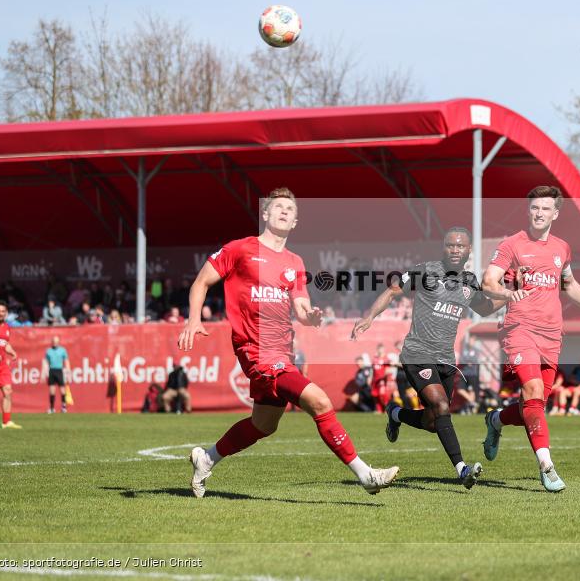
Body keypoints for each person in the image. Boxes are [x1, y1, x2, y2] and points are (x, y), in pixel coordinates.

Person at [180, 187, 398, 497]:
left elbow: (301, 308)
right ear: (265, 213)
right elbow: (202, 281)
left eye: (290, 209)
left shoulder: (294, 262)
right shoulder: (241, 249)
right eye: (278, 206)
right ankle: (367, 475)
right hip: (256, 350)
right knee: (320, 401)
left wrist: (311, 316)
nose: (284, 211)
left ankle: (206, 458)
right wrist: (193, 319)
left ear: (295, 222)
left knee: (264, 425)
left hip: (282, 352)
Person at [481, 186, 580, 492]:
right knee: (531, 391)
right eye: (534, 208)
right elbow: (488, 281)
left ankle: (496, 421)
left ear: (555, 214)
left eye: (545, 208)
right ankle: (547, 466)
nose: (539, 213)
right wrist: (507, 293)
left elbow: (569, 283)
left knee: (534, 405)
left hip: (552, 334)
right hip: (519, 329)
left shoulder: (562, 248)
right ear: (528, 211)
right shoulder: (512, 244)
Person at [352, 227, 505, 488]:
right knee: (442, 406)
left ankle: (396, 414)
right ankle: (462, 469)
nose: (455, 250)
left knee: (433, 421)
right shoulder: (425, 271)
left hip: (446, 360)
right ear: (443, 247)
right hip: (417, 353)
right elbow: (393, 291)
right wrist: (369, 317)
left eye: (460, 246)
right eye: (450, 245)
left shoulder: (469, 282)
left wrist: (512, 296)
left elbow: (485, 308)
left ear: (469, 251)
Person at [43, 335, 71, 413]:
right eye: (53, 341)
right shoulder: (48, 351)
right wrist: (44, 372)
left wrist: (68, 371)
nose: (55, 343)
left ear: (58, 342)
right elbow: (45, 362)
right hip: (52, 371)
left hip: (59, 370)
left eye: (56, 341)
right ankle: (52, 408)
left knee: (62, 390)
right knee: (52, 390)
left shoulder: (63, 350)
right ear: (52, 342)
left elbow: (66, 361)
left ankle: (63, 407)